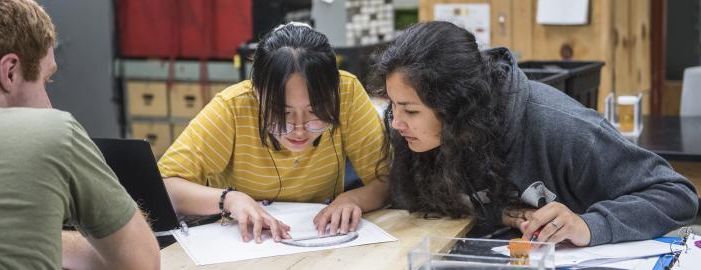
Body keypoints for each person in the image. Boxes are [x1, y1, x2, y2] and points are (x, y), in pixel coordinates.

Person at [372, 21, 698, 247]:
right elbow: (413, 196)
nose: (397, 122)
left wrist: (589, 225)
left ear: (458, 104)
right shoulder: (427, 133)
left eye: (411, 110)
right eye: (393, 106)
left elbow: (676, 194)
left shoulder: (561, 127)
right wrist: (501, 213)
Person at [158, 22, 389, 243]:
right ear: (257, 93)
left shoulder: (346, 93)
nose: (299, 130)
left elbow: (387, 179)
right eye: (282, 113)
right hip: (246, 244)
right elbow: (165, 186)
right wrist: (229, 200)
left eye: (315, 112)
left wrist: (353, 199)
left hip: (322, 238)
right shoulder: (233, 107)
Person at [0, 0, 159, 268]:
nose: (49, 104)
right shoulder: (51, 132)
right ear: (10, 71)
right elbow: (142, 261)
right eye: (45, 81)